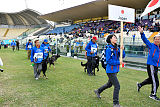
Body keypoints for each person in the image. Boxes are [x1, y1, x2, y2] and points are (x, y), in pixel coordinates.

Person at [94, 34, 125, 107]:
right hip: (110, 70)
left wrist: (122, 50)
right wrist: (118, 62)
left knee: (109, 84)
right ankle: (116, 103)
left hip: (115, 70)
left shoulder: (117, 48)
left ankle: (98, 91)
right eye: (114, 37)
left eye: (116, 37)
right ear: (110, 39)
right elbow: (108, 61)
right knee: (117, 86)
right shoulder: (108, 48)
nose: (116, 38)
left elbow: (122, 56)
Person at [137, 26, 160, 101]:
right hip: (151, 65)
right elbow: (145, 40)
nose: (157, 40)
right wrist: (142, 33)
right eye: (156, 39)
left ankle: (140, 85)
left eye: (158, 39)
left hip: (156, 66)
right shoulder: (151, 45)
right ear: (154, 40)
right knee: (156, 81)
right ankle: (153, 94)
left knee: (151, 80)